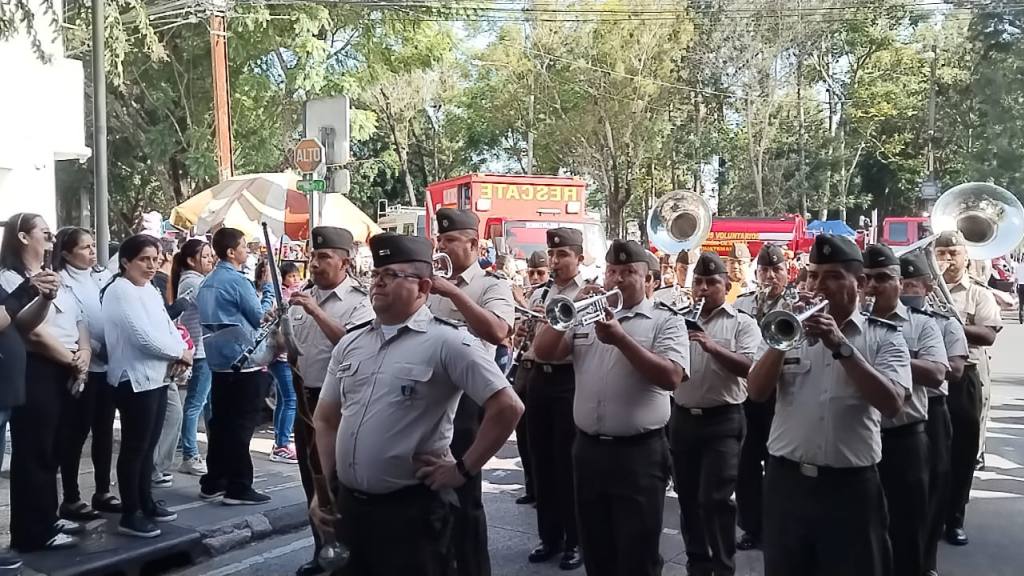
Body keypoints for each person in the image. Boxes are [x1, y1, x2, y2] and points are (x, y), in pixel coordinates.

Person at [311, 232, 523, 575]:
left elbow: (508, 406)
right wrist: (325, 489)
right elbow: (327, 420)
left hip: (411, 512)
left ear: (424, 288)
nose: (378, 283)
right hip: (351, 507)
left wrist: (463, 470)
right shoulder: (351, 343)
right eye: (376, 275)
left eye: (391, 275)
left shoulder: (448, 342)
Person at [747, 234, 911, 576]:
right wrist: (781, 342)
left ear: (861, 282)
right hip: (786, 482)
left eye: (833, 276)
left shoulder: (884, 336)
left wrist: (841, 346)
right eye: (813, 275)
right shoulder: (787, 327)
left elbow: (893, 403)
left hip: (850, 488)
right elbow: (756, 391)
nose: (819, 284)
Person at [533, 239, 689, 576]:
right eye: (611, 271)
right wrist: (571, 306)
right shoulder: (587, 314)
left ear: (649, 279)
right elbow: (544, 352)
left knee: (638, 553)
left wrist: (621, 339)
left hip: (639, 455)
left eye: (628, 272)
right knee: (596, 548)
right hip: (588, 450)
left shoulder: (666, 321)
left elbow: (672, 377)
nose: (616, 279)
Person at [427, 208, 515, 576]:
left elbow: (498, 331)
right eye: (439, 239)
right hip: (430, 397)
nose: (441, 246)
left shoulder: (492, 285)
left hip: (468, 402)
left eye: (449, 240)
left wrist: (451, 291)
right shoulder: (429, 283)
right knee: (433, 498)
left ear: (473, 244)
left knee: (465, 496)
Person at [285, 227, 374, 576]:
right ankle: (323, 552)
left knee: (341, 485)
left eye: (324, 257)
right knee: (314, 484)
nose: (315, 263)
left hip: (341, 405)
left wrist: (316, 312)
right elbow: (283, 349)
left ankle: (351, 554)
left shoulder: (360, 301)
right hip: (306, 404)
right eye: (313, 256)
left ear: (344, 262)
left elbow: (353, 346)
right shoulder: (302, 297)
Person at [0, 213, 91, 551]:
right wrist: (71, 360)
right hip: (37, 367)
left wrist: (83, 354)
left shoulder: (54, 278)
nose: (51, 240)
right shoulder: (10, 278)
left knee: (53, 448)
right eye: (46, 234)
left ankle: (47, 517)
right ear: (23, 237)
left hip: (66, 366)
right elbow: (29, 330)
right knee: (34, 451)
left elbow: (78, 319)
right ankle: (31, 532)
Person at [670, 252, 759, 576]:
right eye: (699, 282)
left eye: (712, 282)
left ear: (727, 285)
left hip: (723, 419)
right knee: (688, 498)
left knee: (715, 499)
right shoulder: (677, 319)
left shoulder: (742, 323)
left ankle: (723, 566)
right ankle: (698, 563)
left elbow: (751, 368)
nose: (704, 288)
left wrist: (711, 346)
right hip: (682, 417)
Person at [863, 243, 949, 576]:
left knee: (906, 531)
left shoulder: (922, 324)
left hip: (903, 439)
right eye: (866, 278)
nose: (873, 286)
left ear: (900, 282)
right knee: (861, 535)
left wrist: (889, 356)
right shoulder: (845, 325)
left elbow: (938, 372)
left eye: (883, 278)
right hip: (857, 440)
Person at [101, 234, 192, 538]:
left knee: (148, 446)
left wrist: (183, 352)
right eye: (144, 259)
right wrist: (180, 353)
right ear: (126, 261)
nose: (152, 265)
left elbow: (167, 327)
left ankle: (146, 502)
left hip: (158, 376)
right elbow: (142, 337)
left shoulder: (151, 291)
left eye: (155, 259)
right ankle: (131, 512)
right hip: (133, 379)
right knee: (134, 448)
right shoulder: (119, 291)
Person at [900, 251, 969, 576]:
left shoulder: (943, 324)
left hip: (933, 411)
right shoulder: (879, 321)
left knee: (933, 487)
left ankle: (925, 562)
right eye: (901, 283)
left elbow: (953, 370)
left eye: (913, 284)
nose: (905, 290)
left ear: (928, 288)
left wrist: (897, 359)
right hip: (896, 409)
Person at [522, 228, 587, 570]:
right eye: (552, 254)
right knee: (541, 461)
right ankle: (549, 537)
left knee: (567, 465)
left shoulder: (588, 293)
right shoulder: (540, 293)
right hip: (538, 380)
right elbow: (529, 333)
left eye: (563, 255)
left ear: (579, 257)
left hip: (567, 380)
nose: (556, 261)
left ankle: (575, 541)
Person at [197, 227, 275, 505]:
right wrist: (266, 290)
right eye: (243, 246)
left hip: (218, 361)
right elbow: (260, 318)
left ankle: (214, 480)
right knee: (240, 426)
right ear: (231, 252)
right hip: (244, 360)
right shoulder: (237, 281)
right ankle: (239, 486)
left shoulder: (207, 282)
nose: (247, 251)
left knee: (221, 424)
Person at [935, 230, 1001, 546]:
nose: (947, 259)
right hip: (932, 375)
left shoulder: (978, 294)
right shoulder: (925, 289)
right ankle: (931, 515)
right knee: (932, 450)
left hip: (966, 376)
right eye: (941, 252)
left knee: (962, 451)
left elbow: (988, 335)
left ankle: (955, 519)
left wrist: (952, 327)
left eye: (953, 253)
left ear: (966, 256)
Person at [0, 234, 62, 565]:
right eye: (45, 233)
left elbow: (20, 322)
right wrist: (27, 289)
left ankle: (44, 523)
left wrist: (43, 298)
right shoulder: (10, 277)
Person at [52, 227, 120, 522]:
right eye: (86, 247)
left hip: (107, 366)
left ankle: (102, 491)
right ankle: (71, 497)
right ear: (66, 253)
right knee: (76, 433)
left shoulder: (101, 277)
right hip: (81, 367)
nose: (93, 252)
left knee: (104, 431)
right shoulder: (61, 281)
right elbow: (72, 321)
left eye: (94, 246)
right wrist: (91, 348)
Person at [732, 243, 787, 550]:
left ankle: (778, 525)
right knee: (747, 465)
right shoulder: (742, 304)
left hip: (782, 396)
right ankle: (751, 525)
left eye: (776, 270)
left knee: (778, 465)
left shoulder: (796, 304)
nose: (769, 276)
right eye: (764, 270)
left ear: (786, 272)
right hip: (748, 393)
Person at [172, 238, 216, 476]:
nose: (211, 260)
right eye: (206, 256)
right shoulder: (194, 280)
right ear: (191, 260)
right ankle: (190, 454)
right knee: (195, 405)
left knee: (205, 404)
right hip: (199, 351)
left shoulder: (193, 280)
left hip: (201, 349)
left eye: (211, 255)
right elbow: (211, 306)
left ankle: (206, 450)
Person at [510, 249, 550, 507]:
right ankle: (531, 486)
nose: (535, 277)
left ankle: (544, 490)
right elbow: (516, 336)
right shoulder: (535, 295)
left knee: (542, 436)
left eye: (540, 273)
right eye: (532, 272)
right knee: (524, 434)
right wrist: (520, 332)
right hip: (524, 368)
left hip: (543, 366)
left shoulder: (552, 296)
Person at [268, 261, 304, 465]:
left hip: (281, 357)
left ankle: (281, 438)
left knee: (283, 399)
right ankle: (281, 444)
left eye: (297, 276)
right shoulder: (281, 298)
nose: (295, 280)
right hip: (281, 356)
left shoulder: (292, 295)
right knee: (291, 399)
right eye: (291, 276)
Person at [1013, 254, 1024, 323]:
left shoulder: (1018, 266)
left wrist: (1014, 286)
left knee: (1021, 302)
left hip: (1020, 285)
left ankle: (1021, 317)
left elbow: (1016, 278)